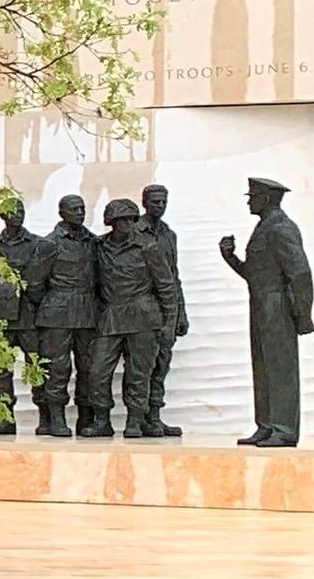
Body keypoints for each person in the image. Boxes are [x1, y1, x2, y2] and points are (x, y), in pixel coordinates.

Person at [219, 175, 314, 447]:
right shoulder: (264, 227)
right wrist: (231, 258)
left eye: (253, 196)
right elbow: (255, 274)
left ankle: (284, 429)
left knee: (280, 367)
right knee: (262, 366)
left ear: (267, 199)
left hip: (278, 305)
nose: (249, 201)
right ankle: (266, 425)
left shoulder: (282, 228)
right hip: (261, 303)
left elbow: (300, 274)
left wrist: (304, 314)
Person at [26, 191, 105, 438]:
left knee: (89, 367)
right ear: (62, 213)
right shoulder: (49, 244)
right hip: (57, 314)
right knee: (58, 368)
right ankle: (56, 419)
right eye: (75, 209)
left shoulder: (93, 242)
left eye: (82, 208)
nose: (80, 213)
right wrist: (53, 303)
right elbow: (33, 283)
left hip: (87, 312)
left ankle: (86, 418)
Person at [92, 195, 171, 438]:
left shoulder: (149, 247)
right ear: (111, 222)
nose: (128, 224)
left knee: (139, 374)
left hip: (143, 317)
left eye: (131, 219)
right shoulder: (99, 246)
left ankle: (135, 420)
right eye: (122, 220)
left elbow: (166, 286)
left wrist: (169, 323)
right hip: (112, 316)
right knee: (97, 371)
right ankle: (102, 420)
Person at [0, 189, 47, 435]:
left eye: (22, 212)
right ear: (3, 215)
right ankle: (4, 418)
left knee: (38, 368)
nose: (18, 216)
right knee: (0, 373)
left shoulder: (38, 244)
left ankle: (46, 419)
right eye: (14, 212)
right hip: (0, 320)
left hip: (30, 319)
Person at [133, 181, 191, 439]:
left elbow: (174, 276)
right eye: (156, 201)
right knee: (140, 367)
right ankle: (139, 418)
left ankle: (154, 417)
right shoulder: (133, 232)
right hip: (139, 309)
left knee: (161, 364)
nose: (160, 206)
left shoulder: (169, 235)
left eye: (164, 201)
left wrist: (181, 313)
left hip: (165, 309)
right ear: (144, 202)